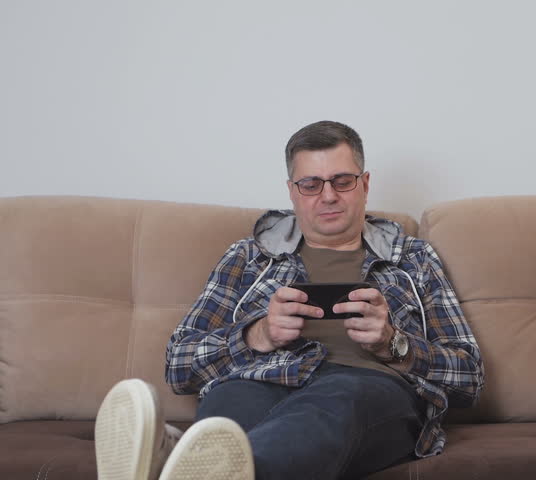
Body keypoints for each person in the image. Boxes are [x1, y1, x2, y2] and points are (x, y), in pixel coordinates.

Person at [94, 120, 484, 480]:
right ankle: (197, 464)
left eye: (342, 181)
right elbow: (179, 365)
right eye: (311, 184)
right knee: (228, 409)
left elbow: (470, 377)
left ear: (365, 184)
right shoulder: (248, 256)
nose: (328, 196)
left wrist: (394, 344)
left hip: (369, 391)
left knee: (336, 400)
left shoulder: (413, 258)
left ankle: (179, 461)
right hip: (259, 380)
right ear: (292, 192)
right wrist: (256, 336)